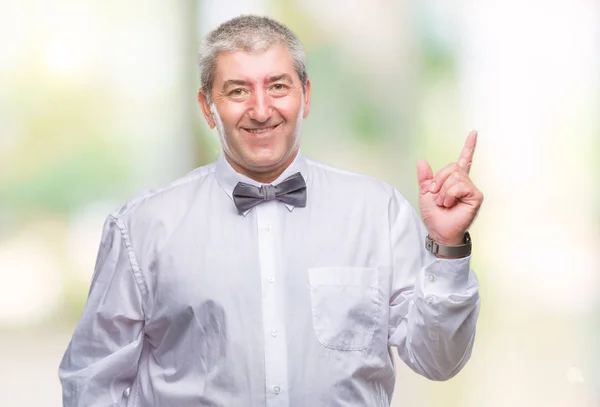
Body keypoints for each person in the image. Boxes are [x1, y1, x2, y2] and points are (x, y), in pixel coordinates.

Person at [59, 15, 483, 407]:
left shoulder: (379, 213)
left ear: (306, 95)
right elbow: (91, 382)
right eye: (238, 90)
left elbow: (438, 361)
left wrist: (448, 247)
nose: (261, 110)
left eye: (278, 86)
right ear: (208, 107)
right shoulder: (143, 226)